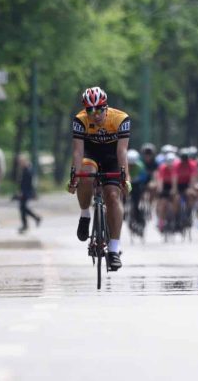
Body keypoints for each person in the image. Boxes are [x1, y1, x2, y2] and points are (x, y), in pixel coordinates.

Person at [67, 87, 131, 271]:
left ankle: (114, 249)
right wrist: (74, 176)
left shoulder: (121, 119)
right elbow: (78, 151)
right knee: (85, 175)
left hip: (112, 157)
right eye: (90, 110)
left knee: (112, 196)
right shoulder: (80, 120)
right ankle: (85, 214)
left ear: (106, 107)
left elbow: (122, 151)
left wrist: (125, 177)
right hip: (90, 154)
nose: (95, 115)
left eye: (99, 110)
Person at [17, 154, 41, 234]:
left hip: (26, 192)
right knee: (23, 208)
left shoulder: (28, 170)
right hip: (25, 191)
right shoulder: (25, 169)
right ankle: (34, 219)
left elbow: (30, 183)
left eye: (21, 162)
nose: (20, 164)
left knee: (22, 208)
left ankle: (28, 223)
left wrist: (25, 192)